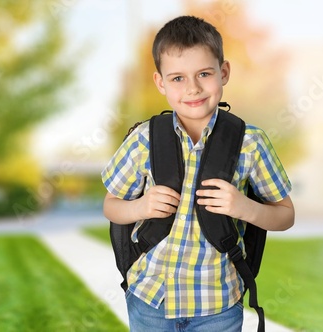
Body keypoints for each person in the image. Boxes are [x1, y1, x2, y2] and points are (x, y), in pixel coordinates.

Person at [101, 15, 294, 332]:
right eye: (177, 78)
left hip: (218, 304)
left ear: (224, 72)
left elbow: (285, 215)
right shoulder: (143, 139)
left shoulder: (251, 143)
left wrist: (245, 207)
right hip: (150, 298)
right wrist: (139, 207)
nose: (192, 88)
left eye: (204, 73)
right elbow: (111, 206)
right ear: (160, 82)